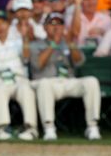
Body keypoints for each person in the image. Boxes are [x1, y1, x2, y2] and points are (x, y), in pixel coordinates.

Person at [31, 12, 102, 140]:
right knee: (44, 84)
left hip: (68, 81)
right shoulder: (36, 44)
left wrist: (70, 43)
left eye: (60, 24)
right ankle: (49, 128)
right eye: (52, 24)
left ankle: (92, 126)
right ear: (45, 27)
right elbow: (38, 65)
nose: (56, 27)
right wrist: (53, 44)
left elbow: (79, 61)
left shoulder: (68, 43)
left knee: (91, 81)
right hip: (47, 82)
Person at [0, 10, 37, 140]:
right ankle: (0, 128)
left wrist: (25, 37)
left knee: (26, 90)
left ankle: (31, 128)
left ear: (8, 25)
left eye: (3, 23)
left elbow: (26, 58)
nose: (0, 27)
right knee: (0, 90)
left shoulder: (17, 40)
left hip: (17, 78)